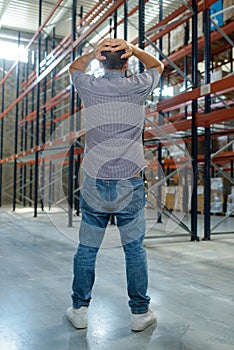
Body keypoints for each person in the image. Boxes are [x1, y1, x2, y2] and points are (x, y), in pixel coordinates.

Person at [66, 38, 164, 332]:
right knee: (134, 249)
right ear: (127, 62)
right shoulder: (137, 86)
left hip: (95, 180)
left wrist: (91, 55)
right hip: (129, 180)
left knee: (87, 248)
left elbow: (73, 67)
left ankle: (80, 310)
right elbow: (157, 65)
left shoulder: (89, 87)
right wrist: (135, 50)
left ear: (100, 62)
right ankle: (139, 314)